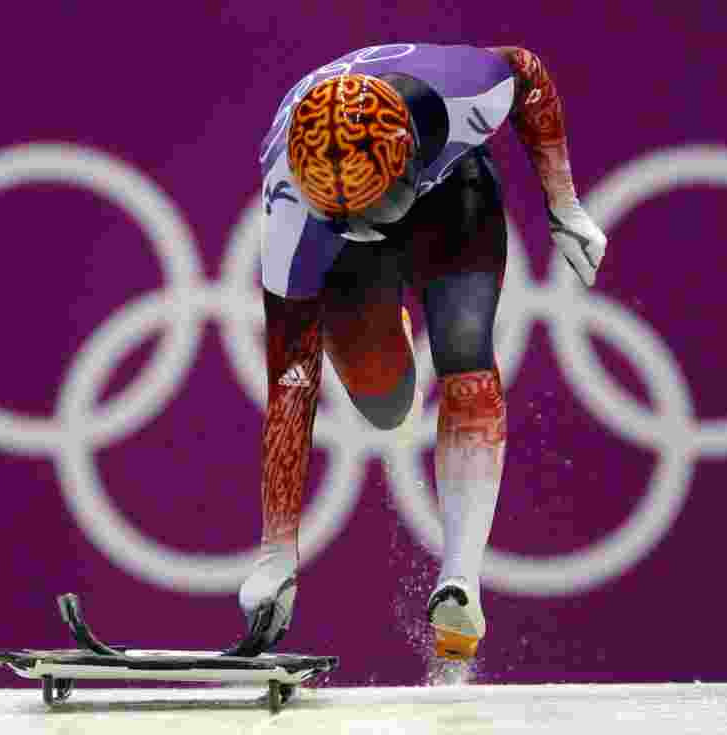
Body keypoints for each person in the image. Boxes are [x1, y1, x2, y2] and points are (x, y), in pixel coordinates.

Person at [227, 43, 607, 661]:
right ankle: (385, 328)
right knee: (384, 404)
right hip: (338, 221)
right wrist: (277, 554)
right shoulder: (293, 209)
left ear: (408, 159)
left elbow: (531, 72)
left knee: (469, 362)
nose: (369, 226)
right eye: (348, 216)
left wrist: (564, 204)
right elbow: (292, 382)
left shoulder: (471, 94)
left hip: (454, 193)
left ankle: (460, 576)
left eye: (376, 213)